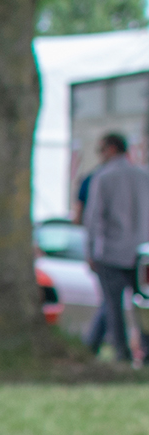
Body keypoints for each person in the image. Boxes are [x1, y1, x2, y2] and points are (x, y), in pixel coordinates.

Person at [81, 131, 149, 365]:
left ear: (111, 149)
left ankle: (122, 353)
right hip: (142, 253)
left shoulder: (103, 177)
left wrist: (90, 250)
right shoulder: (143, 176)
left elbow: (94, 218)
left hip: (111, 252)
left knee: (113, 307)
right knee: (143, 306)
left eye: (100, 150)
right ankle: (145, 351)